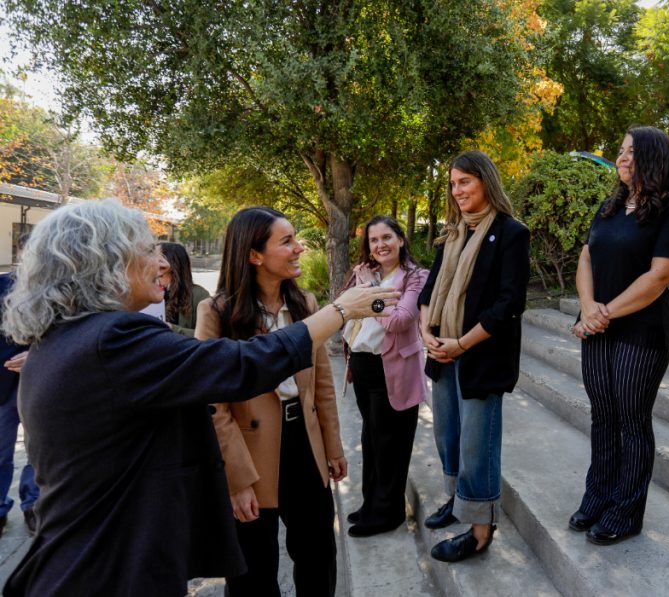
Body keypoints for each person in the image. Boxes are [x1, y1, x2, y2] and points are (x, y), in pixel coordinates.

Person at [0, 199, 395, 597]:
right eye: (149, 251)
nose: (162, 264)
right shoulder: (113, 341)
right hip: (107, 570)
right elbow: (243, 365)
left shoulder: (68, 341)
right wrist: (341, 310)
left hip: (88, 562)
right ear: (108, 264)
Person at [197, 206, 345, 596]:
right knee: (252, 573)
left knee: (318, 558)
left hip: (305, 445)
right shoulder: (218, 313)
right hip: (250, 453)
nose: (299, 248)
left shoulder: (305, 305)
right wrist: (236, 479)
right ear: (253, 254)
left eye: (296, 239)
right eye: (287, 241)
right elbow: (212, 406)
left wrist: (332, 445)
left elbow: (322, 385)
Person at [569, 126, 669, 546]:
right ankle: (598, 495)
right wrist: (588, 309)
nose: (621, 158)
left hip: (640, 331)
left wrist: (604, 313)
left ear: (653, 158)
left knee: (631, 419)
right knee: (602, 414)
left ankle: (626, 510)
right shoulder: (610, 205)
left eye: (630, 152)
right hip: (597, 327)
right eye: (620, 151)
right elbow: (586, 256)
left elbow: (659, 276)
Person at [418, 150, 530, 562]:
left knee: (476, 443)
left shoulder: (511, 232)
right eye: (452, 183)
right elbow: (429, 291)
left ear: (485, 180)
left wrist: (461, 344)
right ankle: (458, 501)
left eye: (464, 181)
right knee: (447, 435)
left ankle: (480, 529)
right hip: (443, 350)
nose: (457, 190)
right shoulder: (452, 233)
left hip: (480, 354)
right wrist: (425, 331)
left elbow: (509, 304)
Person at [341, 216, 428, 538]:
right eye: (374, 240)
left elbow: (399, 321)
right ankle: (370, 504)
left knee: (390, 444)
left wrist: (369, 290)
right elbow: (345, 311)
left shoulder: (416, 277)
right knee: (371, 440)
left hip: (393, 370)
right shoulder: (365, 273)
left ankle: (388, 513)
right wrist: (362, 285)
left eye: (387, 237)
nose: (380, 245)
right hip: (363, 367)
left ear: (401, 239)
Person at [0, 271, 38, 537]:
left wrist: (36, 355)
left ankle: (32, 505)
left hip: (40, 380)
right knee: (1, 450)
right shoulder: (3, 285)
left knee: (37, 450)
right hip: (3, 382)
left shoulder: (63, 286)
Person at [159, 241, 210, 337]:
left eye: (160, 262)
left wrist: (172, 329)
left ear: (172, 266)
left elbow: (209, 336)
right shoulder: (149, 293)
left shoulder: (199, 296)